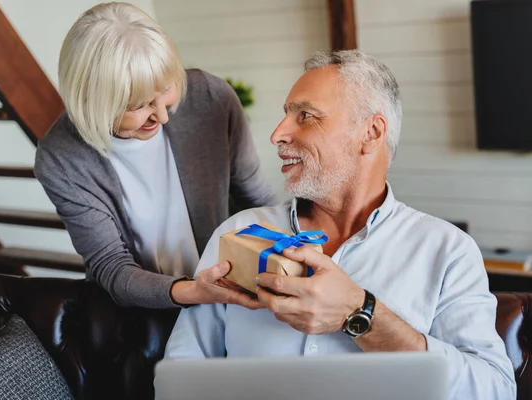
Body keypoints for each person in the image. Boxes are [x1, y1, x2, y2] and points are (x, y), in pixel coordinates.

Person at [163, 50, 516, 399]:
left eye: (306, 116)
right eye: (286, 115)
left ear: (371, 133)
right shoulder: (238, 232)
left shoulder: (447, 251)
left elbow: (494, 390)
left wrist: (359, 314)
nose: (278, 134)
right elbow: (180, 373)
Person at [34, 2, 277, 309]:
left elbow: (257, 197)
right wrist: (194, 291)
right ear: (92, 101)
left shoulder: (211, 98)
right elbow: (111, 266)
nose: (162, 116)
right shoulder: (61, 160)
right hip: (140, 313)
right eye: (139, 106)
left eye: (167, 89)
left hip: (225, 295)